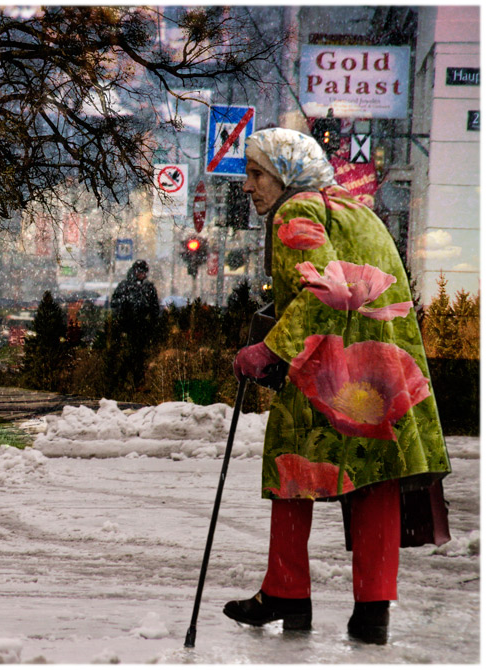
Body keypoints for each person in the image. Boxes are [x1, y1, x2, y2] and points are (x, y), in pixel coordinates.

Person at [226, 127, 451, 644]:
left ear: (286, 173)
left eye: (257, 174)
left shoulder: (295, 210)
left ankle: (286, 592)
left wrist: (268, 349)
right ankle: (373, 612)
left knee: (292, 470)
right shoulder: (355, 208)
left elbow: (322, 285)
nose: (249, 186)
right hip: (383, 372)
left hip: (328, 370)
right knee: (374, 481)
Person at [108, 259, 160, 390]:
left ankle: (135, 382)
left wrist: (153, 323)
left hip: (142, 328)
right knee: (130, 355)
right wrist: (126, 304)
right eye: (140, 272)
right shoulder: (125, 286)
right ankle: (123, 381)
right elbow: (114, 303)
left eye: (144, 272)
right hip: (127, 326)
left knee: (139, 356)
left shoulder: (148, 288)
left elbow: (155, 308)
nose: (142, 275)